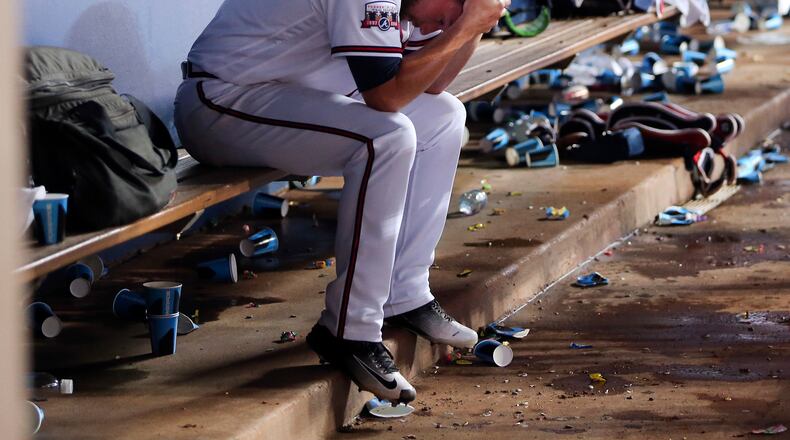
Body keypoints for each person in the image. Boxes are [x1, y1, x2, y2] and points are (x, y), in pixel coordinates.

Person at [175, 0, 510, 404]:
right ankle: (350, 330)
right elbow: (387, 98)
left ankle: (404, 294)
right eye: (454, 8)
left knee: (443, 116)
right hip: (223, 101)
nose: (448, 21)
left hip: (289, 92)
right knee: (385, 137)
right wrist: (464, 27)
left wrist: (473, 26)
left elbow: (433, 85)